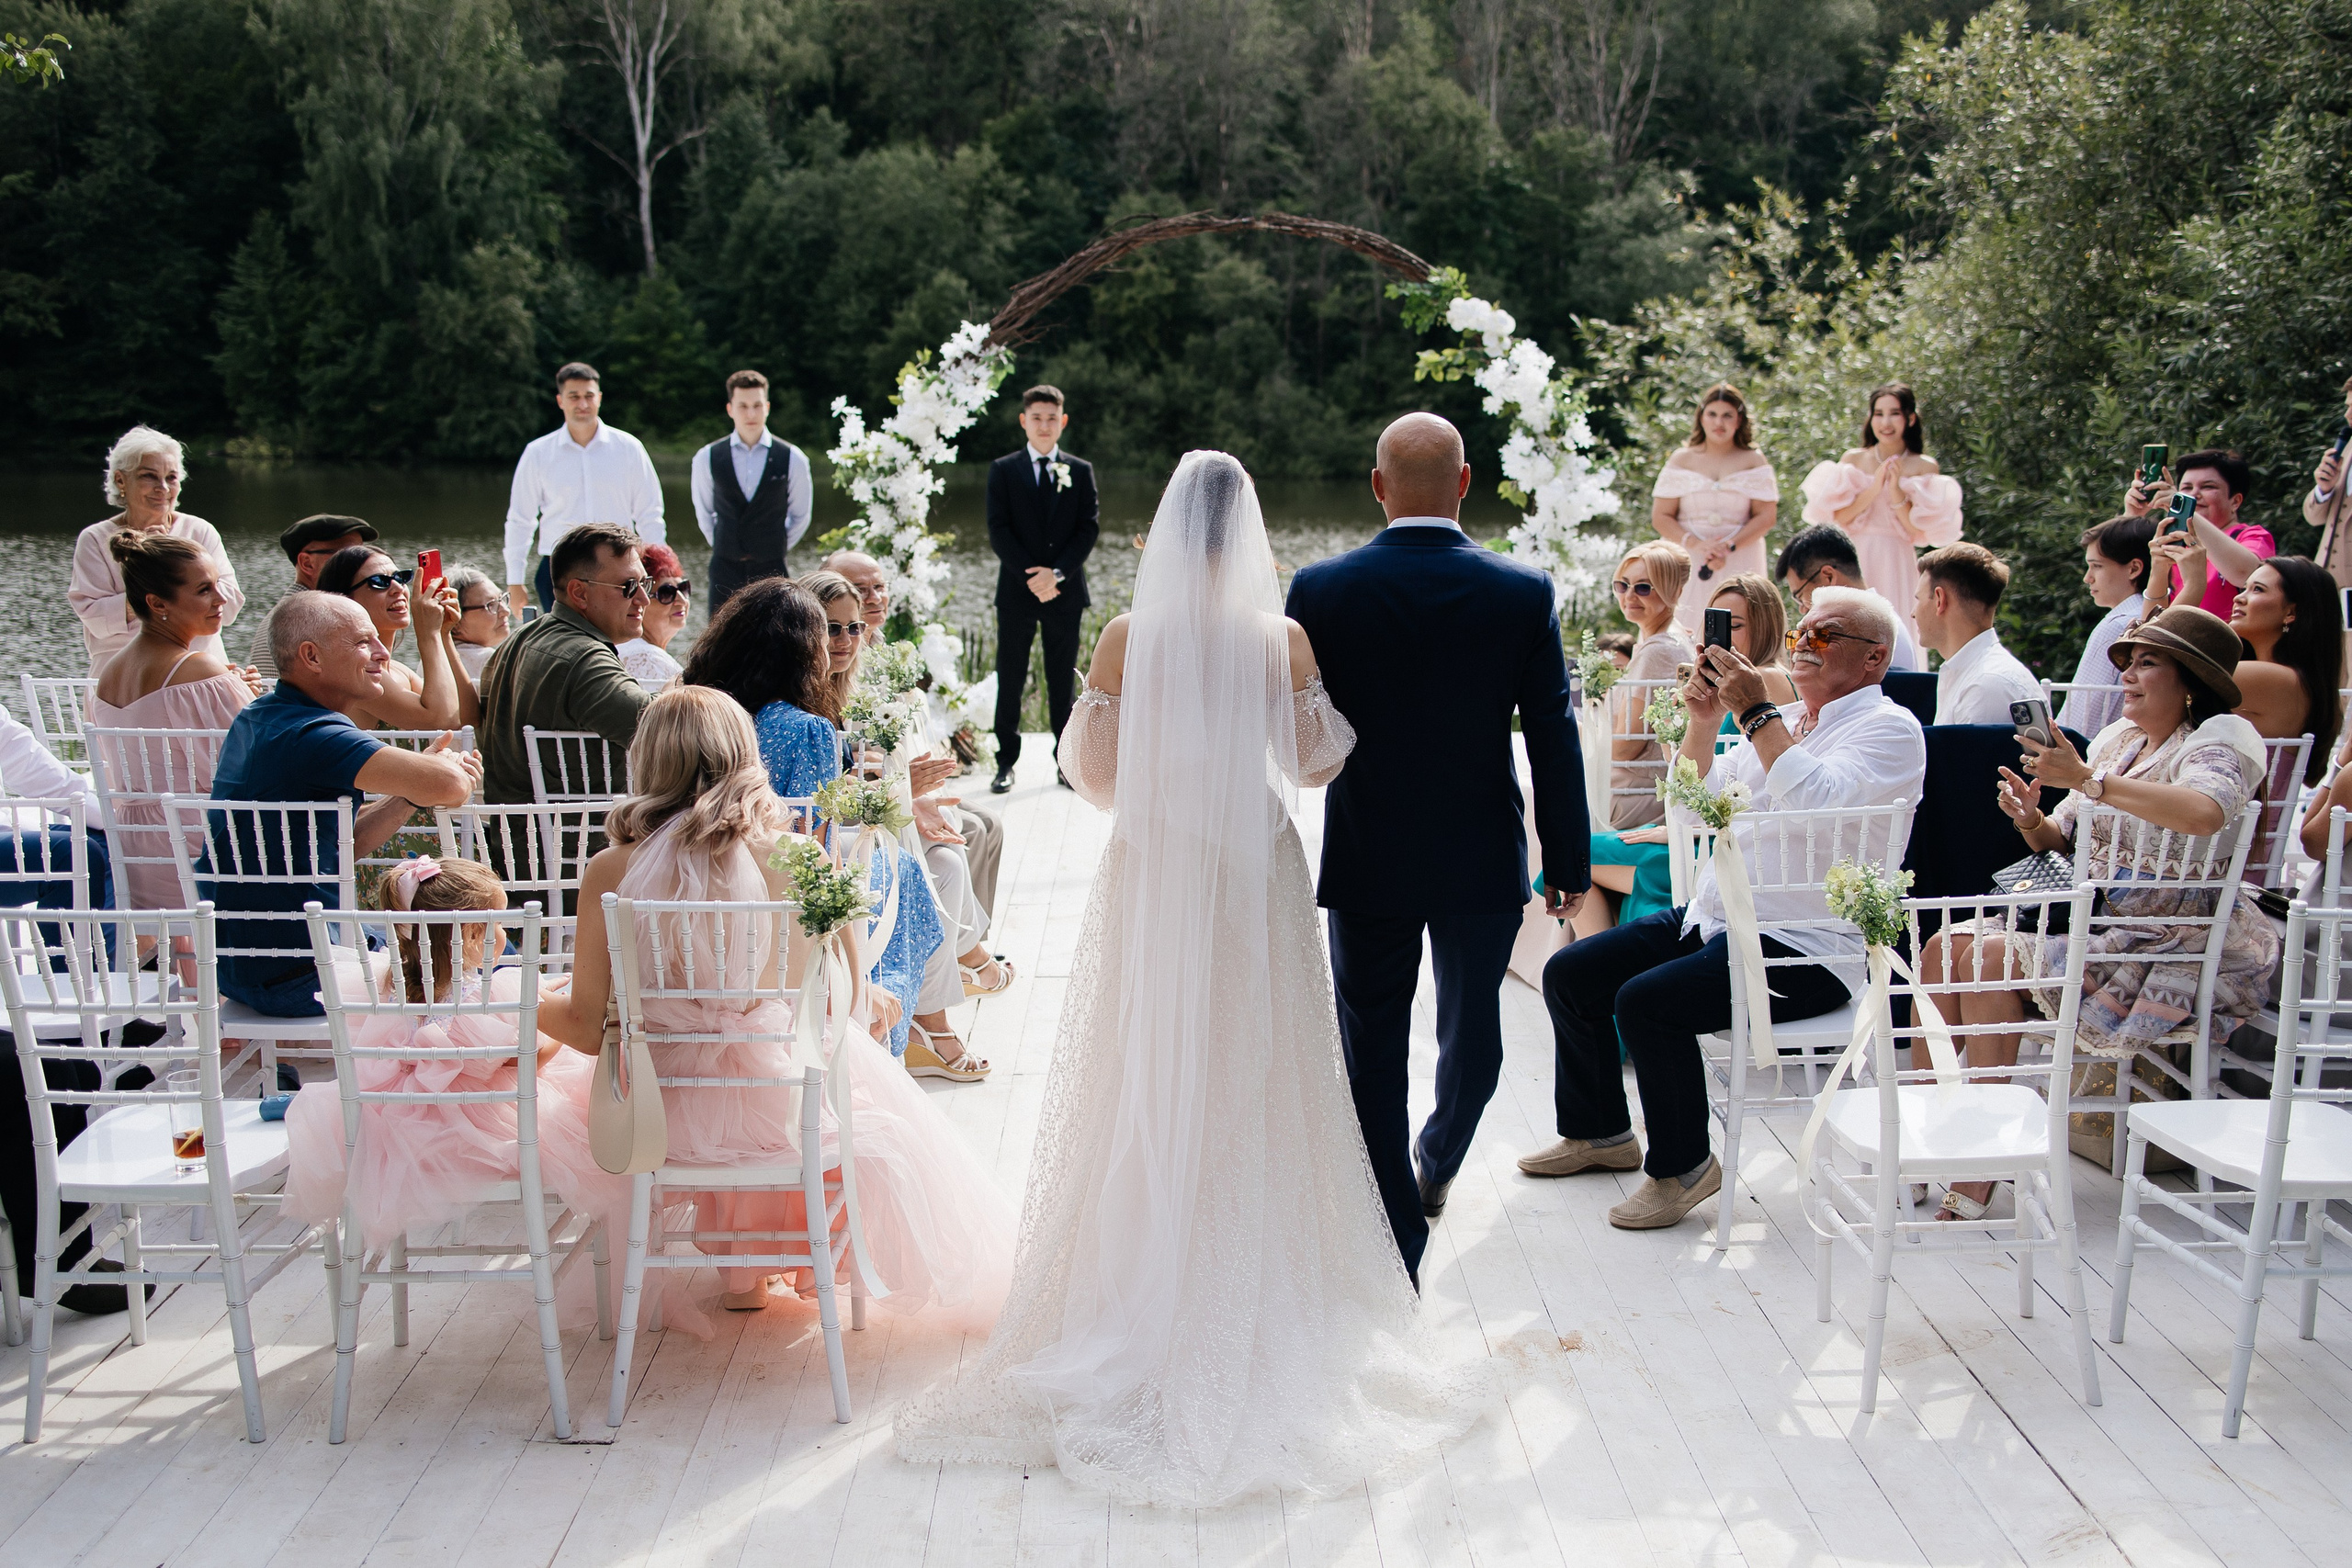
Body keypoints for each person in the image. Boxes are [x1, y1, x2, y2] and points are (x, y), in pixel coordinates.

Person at [897, 449, 1503, 1506]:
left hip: (1157, 860)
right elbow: (1319, 759)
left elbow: (1088, 774)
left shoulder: (1130, 637)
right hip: (1248, 863)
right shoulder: (1282, 637)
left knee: (1146, 1060)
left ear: (1169, 534)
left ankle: (1139, 1274)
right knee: (1259, 1053)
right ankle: (1251, 1266)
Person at [530, 686, 1014, 1332]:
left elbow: (588, 1031)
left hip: (656, 1099)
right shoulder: (804, 858)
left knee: (571, 1083)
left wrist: (531, 1001)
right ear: (743, 757)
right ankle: (758, 1267)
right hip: (783, 1093)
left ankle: (743, 1277)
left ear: (646, 762)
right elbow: (846, 1001)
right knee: (812, 1078)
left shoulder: (612, 868)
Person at [1285, 412, 1587, 1271]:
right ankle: (1437, 1162)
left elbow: (1299, 729)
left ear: (1377, 487)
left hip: (1368, 851)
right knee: (1476, 1031)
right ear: (1465, 481)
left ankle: (1395, 1232)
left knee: (1371, 1045)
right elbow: (1553, 737)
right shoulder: (1523, 590)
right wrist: (1565, 858)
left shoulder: (1319, 588)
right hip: (1481, 850)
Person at [1524, 587, 1925, 1231]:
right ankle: (1600, 1132)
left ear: (1875, 656)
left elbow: (1815, 804)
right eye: (1800, 636)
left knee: (1649, 1002)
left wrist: (1758, 713)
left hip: (1807, 946)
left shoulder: (1891, 730)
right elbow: (1688, 808)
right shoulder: (1788, 719)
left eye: (1823, 638)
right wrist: (1706, 723)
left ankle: (1683, 1166)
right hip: (1717, 918)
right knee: (1573, 974)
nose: (1802, 646)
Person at [1939, 605, 2280, 1218]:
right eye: (2126, 660)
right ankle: (1939, 1132)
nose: (2125, 672)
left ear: (2192, 680)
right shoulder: (2119, 744)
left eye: (2147, 662)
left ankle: (1982, 1159)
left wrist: (2089, 780)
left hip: (2165, 940)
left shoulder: (2221, 738)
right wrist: (2030, 818)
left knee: (1988, 954)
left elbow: (2205, 812)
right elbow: (2063, 846)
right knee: (1942, 945)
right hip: (2093, 916)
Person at [678, 579, 978, 1072]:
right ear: (800, 651)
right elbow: (812, 847)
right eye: (822, 637)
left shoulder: (698, 705)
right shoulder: (806, 728)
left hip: (689, 883)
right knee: (900, 874)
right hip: (778, 897)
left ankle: (918, 1024)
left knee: (900, 865)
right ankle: (881, 1037)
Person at [281, 856, 596, 1249]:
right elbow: (530, 1058)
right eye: (496, 924)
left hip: (394, 1120)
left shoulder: (386, 982)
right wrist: (563, 1027)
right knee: (583, 1091)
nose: (502, 933)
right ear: (470, 936)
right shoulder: (483, 997)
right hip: (468, 1126)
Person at [203, 595, 480, 1017]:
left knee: (467, 940)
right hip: (305, 974)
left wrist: (410, 792)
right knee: (484, 945)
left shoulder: (261, 715)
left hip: (245, 967)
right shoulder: (312, 732)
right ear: (311, 657)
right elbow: (452, 786)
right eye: (363, 642)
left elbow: (344, 843)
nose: (383, 653)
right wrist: (437, 770)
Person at [1584, 574, 1796, 934]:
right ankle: (1601, 963)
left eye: (1737, 626)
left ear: (1766, 629)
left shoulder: (1766, 680)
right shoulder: (1723, 688)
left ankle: (1608, 964)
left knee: (1579, 856)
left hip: (1724, 839)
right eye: (1716, 626)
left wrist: (1687, 831)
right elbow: (1686, 773)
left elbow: (1761, 787)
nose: (1722, 639)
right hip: (1695, 823)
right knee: (1575, 854)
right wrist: (1679, 721)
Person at [821, 546, 1006, 918]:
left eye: (879, 587)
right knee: (967, 832)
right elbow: (852, 752)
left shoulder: (885, 648)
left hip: (908, 776)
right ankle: (964, 952)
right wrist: (902, 788)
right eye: (861, 589)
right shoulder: (839, 662)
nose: (873, 598)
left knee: (990, 824)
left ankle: (972, 947)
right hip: (873, 788)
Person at [88, 533, 260, 910]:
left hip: (138, 849)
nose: (221, 599)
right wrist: (253, 699)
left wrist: (231, 688)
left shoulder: (108, 674)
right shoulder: (196, 669)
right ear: (157, 602)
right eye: (204, 590)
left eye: (218, 585)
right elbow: (251, 765)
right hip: (199, 851)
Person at [475, 524, 654, 806]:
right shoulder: (584, 658)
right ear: (580, 593)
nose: (644, 599)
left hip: (514, 839)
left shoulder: (521, 637)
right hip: (585, 842)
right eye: (629, 587)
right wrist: (681, 688)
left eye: (645, 584)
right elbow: (666, 727)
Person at [985, 384, 1100, 794]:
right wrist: (1034, 579)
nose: (1045, 425)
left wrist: (1058, 574)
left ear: (1063, 421)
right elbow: (998, 531)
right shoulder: (1003, 470)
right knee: (1011, 675)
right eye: (1037, 418)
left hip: (1065, 593)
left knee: (1061, 679)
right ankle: (1005, 763)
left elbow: (1088, 529)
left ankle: (1064, 763)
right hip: (1017, 592)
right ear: (1024, 421)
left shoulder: (1081, 470)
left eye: (1052, 418)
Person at [69, 425, 245, 678]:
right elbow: (95, 618)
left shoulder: (199, 531)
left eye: (171, 477)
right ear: (121, 480)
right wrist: (160, 577)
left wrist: (168, 595)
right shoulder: (95, 539)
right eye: (148, 476)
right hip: (125, 679)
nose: (162, 487)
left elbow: (229, 607)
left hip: (202, 675)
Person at [1798, 383, 1964, 645]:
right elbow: (1838, 519)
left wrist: (1896, 490)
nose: (1886, 422)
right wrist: (1875, 487)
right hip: (1854, 555)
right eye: (1879, 413)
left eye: (1894, 413)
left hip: (1896, 558)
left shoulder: (1923, 465)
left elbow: (1915, 531)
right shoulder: (1854, 459)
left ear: (1909, 418)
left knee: (1896, 626)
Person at [503, 362, 664, 615]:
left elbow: (649, 515)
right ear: (560, 401)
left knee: (619, 645)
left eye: (589, 396)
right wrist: (515, 580)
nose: (583, 403)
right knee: (562, 648)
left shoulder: (629, 448)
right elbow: (520, 520)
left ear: (599, 398)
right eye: (574, 396)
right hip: (559, 569)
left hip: (620, 567)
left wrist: (659, 570)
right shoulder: (538, 453)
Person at [1649, 383, 1780, 632]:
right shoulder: (1682, 458)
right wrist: (1699, 545)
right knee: (1683, 621)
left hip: (1740, 553)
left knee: (1741, 622)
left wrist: (1728, 546)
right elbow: (1661, 517)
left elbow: (1766, 516)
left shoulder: (1754, 460)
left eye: (1727, 415)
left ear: (1739, 420)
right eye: (1712, 414)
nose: (1719, 422)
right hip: (1689, 554)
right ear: (1701, 417)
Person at [316, 545, 480, 731]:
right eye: (379, 581)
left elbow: (468, 719)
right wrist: (429, 634)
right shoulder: (356, 672)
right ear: (345, 600)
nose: (397, 588)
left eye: (400, 578)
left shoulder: (399, 671)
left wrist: (443, 634)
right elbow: (442, 721)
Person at [692, 368, 810, 612]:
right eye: (743, 406)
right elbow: (704, 513)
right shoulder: (707, 457)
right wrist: (725, 544)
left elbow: (801, 516)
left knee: (776, 642)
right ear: (730, 409)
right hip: (724, 569)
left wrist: (772, 546)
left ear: (767, 407)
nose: (751, 413)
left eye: (757, 405)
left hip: (773, 571)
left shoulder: (792, 458)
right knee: (721, 645)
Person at [2223, 555, 2342, 779]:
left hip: (2239, 813)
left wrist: (2193, 583)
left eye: (2257, 589)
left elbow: (2165, 670)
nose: (2239, 597)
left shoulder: (2277, 678)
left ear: (2291, 613)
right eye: (2244, 588)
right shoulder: (2289, 678)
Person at [2130, 447, 2273, 624]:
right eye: (2186, 488)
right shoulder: (2172, 544)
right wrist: (2132, 516)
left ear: (2235, 501)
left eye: (2208, 487)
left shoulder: (2252, 536)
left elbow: (2246, 574)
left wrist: (2186, 508)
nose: (2194, 495)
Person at [1914, 542, 2041, 726]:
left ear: (1940, 600)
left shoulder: (1985, 686)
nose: (1913, 612)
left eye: (1918, 599)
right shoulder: (1974, 675)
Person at [1775, 523, 1924, 672]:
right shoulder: (1879, 622)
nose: (1802, 609)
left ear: (1828, 577)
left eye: (1800, 596)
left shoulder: (1865, 632)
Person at [245, 515, 379, 680]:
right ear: (307, 563)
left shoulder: (290, 609)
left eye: (361, 551)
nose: (361, 561)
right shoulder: (309, 615)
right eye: (346, 553)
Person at [2059, 515, 2155, 739]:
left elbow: (2083, 713)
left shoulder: (2118, 625)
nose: (2087, 578)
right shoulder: (2147, 615)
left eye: (2096, 566)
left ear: (2134, 569)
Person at [613, 542, 692, 687]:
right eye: (667, 593)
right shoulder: (645, 658)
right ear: (639, 600)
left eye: (683, 588)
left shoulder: (634, 648)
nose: (682, 600)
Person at [2303, 377, 2352, 588]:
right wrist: (2324, 489)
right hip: (2328, 583)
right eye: (2348, 406)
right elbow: (2313, 518)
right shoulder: (2347, 449)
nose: (2347, 415)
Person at [445, 565, 511, 681]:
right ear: (454, 620)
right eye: (491, 605)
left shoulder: (430, 661)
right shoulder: (487, 661)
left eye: (502, 599)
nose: (506, 611)